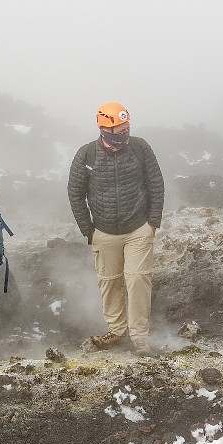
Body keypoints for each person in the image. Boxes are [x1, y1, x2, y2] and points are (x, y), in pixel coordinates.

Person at [67, 102, 165, 357]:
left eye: (127, 129)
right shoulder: (86, 155)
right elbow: (75, 194)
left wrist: (153, 221)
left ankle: (139, 336)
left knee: (137, 279)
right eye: (119, 132)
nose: (125, 135)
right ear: (104, 129)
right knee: (109, 282)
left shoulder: (140, 148)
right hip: (103, 231)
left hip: (138, 228)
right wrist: (88, 230)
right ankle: (116, 330)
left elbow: (156, 183)